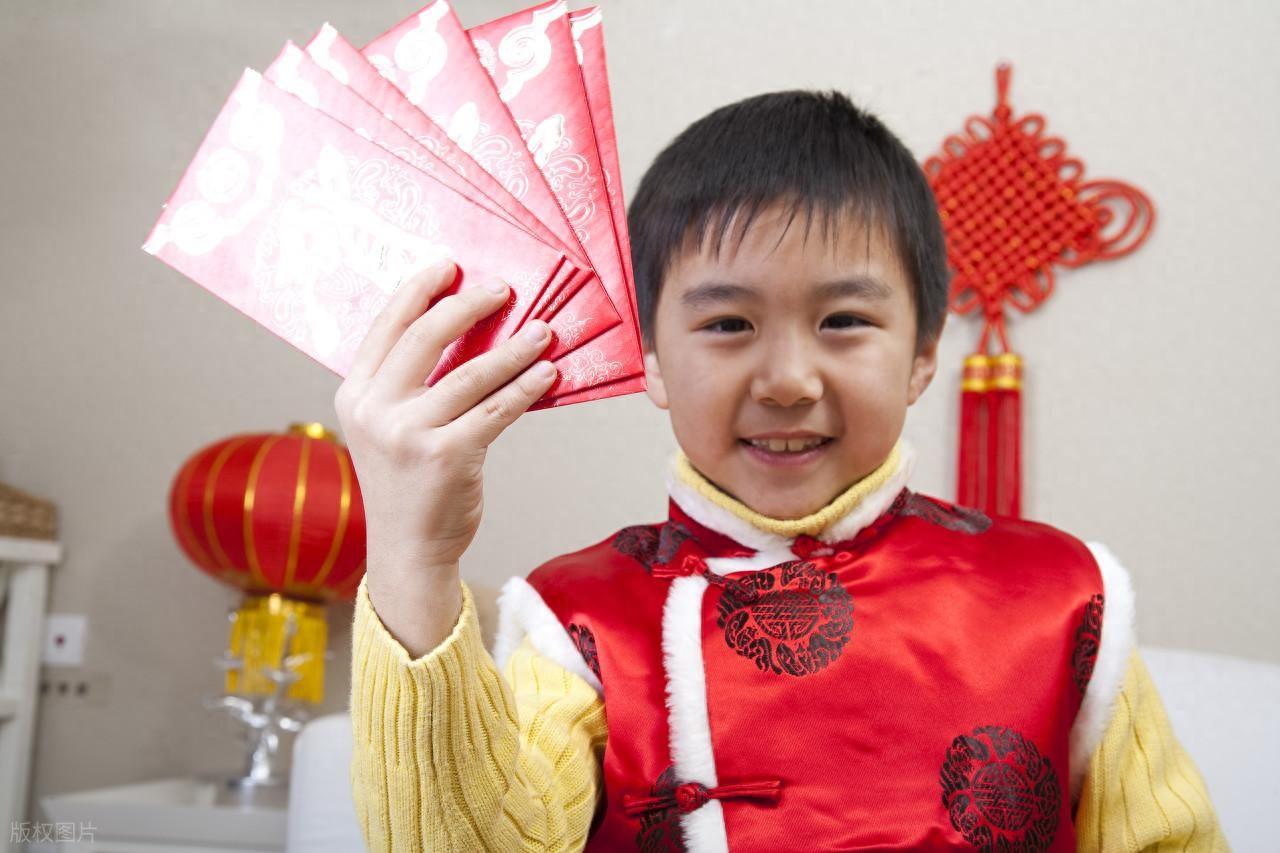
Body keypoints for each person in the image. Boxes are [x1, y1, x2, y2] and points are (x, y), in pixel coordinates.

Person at [336, 90, 1226, 852]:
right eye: (728, 324)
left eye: (844, 321)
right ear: (650, 358)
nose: (790, 381)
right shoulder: (577, 619)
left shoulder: (1064, 597)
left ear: (923, 352)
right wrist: (415, 554)